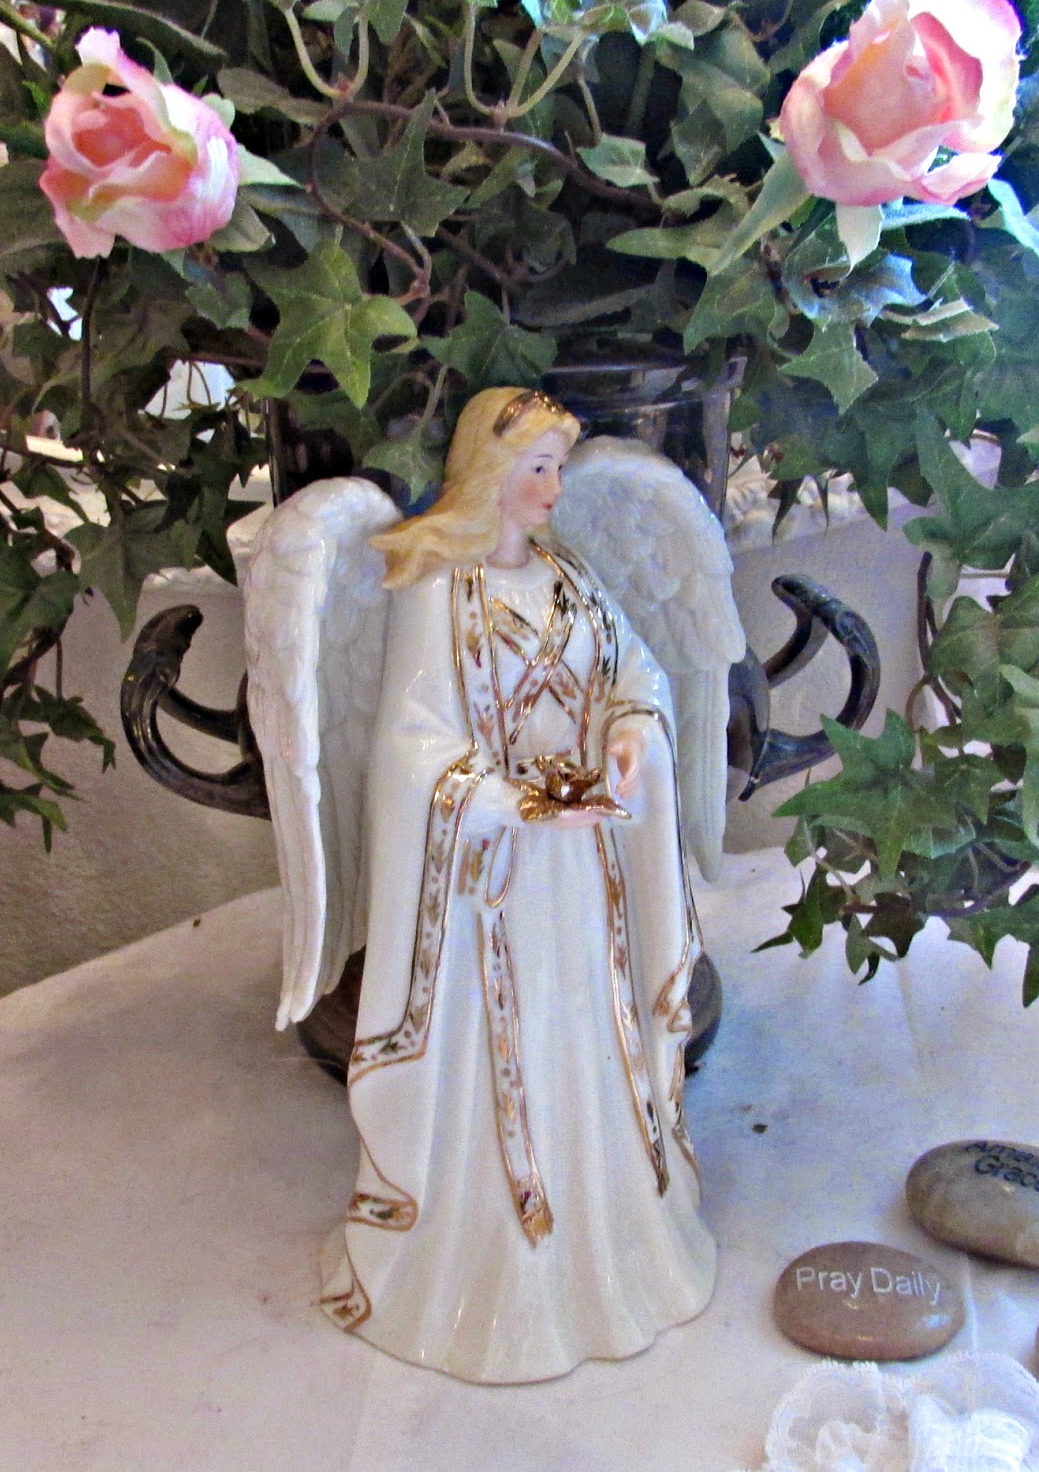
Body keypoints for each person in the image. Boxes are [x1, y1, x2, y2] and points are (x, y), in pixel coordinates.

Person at [318, 386, 717, 1383]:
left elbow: (636, 674)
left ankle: (604, 1239)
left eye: (558, 468)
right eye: (536, 467)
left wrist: (631, 732)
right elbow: (410, 746)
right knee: (508, 1048)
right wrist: (511, 800)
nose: (552, 488)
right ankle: (493, 1257)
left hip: (580, 873)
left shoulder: (571, 576)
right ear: (490, 471)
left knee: (581, 1037)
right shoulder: (434, 586)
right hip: (491, 880)